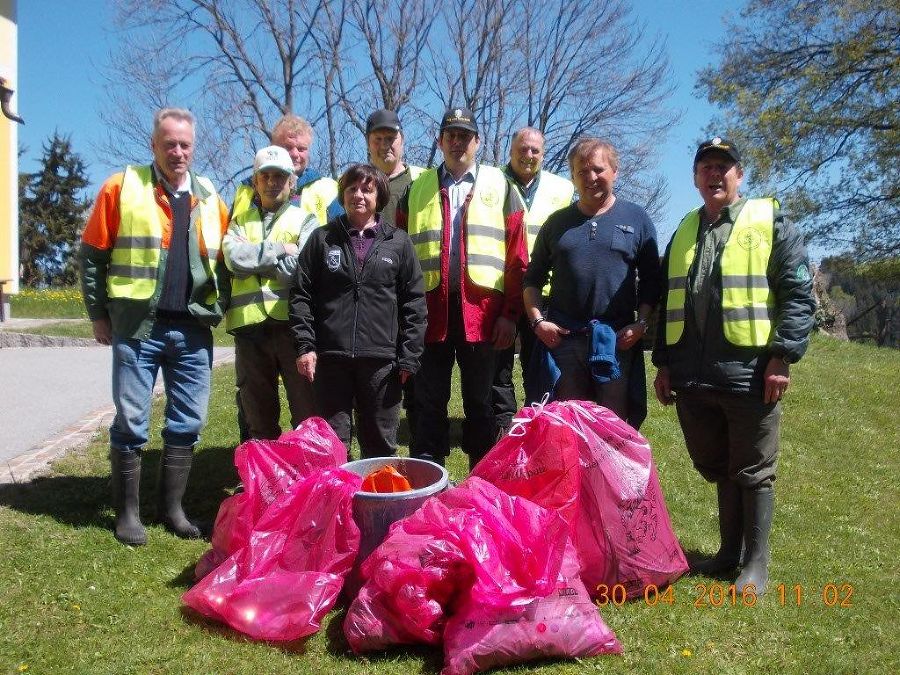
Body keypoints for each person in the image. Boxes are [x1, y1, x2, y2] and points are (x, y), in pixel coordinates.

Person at [652, 137, 815, 594]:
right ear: (696, 177)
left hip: (750, 373)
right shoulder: (684, 228)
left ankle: (756, 565)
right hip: (693, 377)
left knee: (754, 469)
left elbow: (799, 296)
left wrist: (781, 356)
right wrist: (663, 363)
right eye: (706, 166)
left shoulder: (771, 221)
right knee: (718, 465)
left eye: (724, 166)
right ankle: (728, 554)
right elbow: (669, 302)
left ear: (739, 175)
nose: (715, 174)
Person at [79, 107, 229, 546]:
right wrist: (97, 314)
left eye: (184, 144)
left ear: (193, 147)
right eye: (169, 144)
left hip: (193, 329)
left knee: (188, 422)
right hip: (136, 327)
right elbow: (91, 256)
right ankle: (128, 514)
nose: (177, 152)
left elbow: (231, 255)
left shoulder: (210, 195)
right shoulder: (121, 187)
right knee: (131, 420)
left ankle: (172, 509)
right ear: (154, 146)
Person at [396, 107, 528, 470]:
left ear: (477, 142)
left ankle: (482, 486)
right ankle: (426, 485)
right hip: (428, 316)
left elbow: (517, 258)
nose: (457, 142)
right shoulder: (415, 189)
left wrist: (510, 315)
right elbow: (401, 259)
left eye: (465, 136)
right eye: (450, 135)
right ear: (440, 142)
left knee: (483, 404)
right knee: (426, 404)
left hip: (484, 319)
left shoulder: (502, 187)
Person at [290, 163, 426, 458]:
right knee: (331, 446)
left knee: (379, 444)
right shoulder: (322, 239)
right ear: (342, 195)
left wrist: (409, 356)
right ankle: (336, 502)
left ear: (380, 196)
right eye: (351, 188)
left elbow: (414, 303)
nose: (358, 195)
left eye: (367, 189)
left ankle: (378, 503)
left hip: (382, 362)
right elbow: (301, 294)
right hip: (331, 360)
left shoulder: (399, 243)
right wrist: (305, 346)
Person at [522, 137, 660, 427]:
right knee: (568, 425)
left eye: (598, 169)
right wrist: (537, 322)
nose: (591, 177)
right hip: (565, 342)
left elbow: (651, 281)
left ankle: (611, 474)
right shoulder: (557, 223)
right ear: (573, 176)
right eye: (581, 172)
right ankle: (573, 474)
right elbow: (532, 278)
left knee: (614, 426)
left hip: (615, 341)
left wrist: (641, 325)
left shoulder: (637, 219)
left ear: (614, 171)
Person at [222, 146, 320, 439]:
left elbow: (300, 270)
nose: (272, 182)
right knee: (258, 418)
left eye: (280, 176)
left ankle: (308, 481)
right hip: (250, 331)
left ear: (292, 182)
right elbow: (232, 259)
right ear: (255, 181)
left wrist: (253, 263)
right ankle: (267, 484)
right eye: (266, 176)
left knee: (306, 414)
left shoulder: (306, 220)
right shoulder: (240, 220)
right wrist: (279, 249)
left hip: (293, 327)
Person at [493, 127, 575, 431]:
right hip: (500, 287)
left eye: (535, 151)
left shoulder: (562, 188)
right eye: (523, 149)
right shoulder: (491, 182)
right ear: (511, 150)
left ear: (543, 153)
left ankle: (539, 423)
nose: (528, 155)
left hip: (545, 292)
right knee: (498, 365)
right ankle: (502, 427)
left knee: (539, 363)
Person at [231, 114, 342, 226]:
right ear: (272, 147)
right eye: (287, 147)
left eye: (301, 149)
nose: (295, 154)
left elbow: (344, 236)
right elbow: (229, 235)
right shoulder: (245, 189)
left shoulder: (328, 189)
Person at [365, 109, 424, 227]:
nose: (384, 145)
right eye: (378, 139)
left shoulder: (422, 180)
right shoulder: (356, 186)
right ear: (367, 142)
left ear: (402, 139)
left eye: (390, 138)